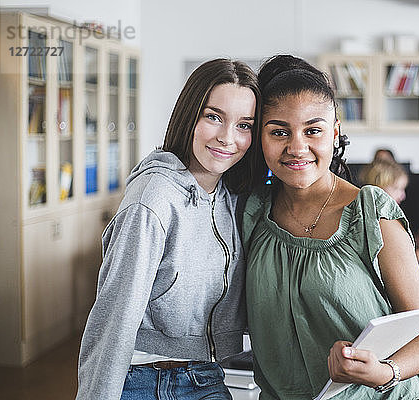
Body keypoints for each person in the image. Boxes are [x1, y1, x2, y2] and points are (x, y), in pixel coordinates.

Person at [242, 55, 419, 399]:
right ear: (260, 136)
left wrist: (384, 372)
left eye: (313, 130)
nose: (296, 147)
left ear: (334, 133)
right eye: (279, 132)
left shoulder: (370, 213)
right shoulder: (253, 210)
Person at [76, 59, 260, 400]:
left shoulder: (230, 198)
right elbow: (113, 317)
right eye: (213, 117)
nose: (227, 137)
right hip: (144, 381)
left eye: (244, 125)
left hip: (205, 373)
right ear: (189, 116)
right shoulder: (154, 198)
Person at [360, 159, 419, 300]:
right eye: (397, 188)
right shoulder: (381, 222)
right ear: (380, 188)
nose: (403, 196)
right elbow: (393, 268)